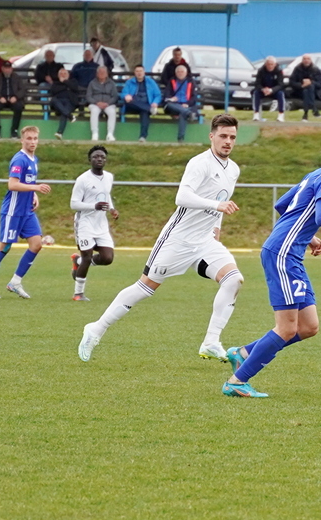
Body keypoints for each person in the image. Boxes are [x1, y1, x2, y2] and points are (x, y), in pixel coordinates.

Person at [221, 129, 321, 398]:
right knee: (286, 328)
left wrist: (306, 236)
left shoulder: (316, 174)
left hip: (289, 252)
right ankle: (236, 382)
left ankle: (245, 353)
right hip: (282, 254)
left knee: (308, 327)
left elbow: (283, 204)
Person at [78, 114, 245, 363]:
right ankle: (96, 328)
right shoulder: (199, 163)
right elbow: (183, 197)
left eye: (232, 137)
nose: (227, 141)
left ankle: (211, 341)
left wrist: (216, 225)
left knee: (234, 280)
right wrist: (217, 206)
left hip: (204, 241)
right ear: (211, 136)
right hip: (177, 239)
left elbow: (220, 197)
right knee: (145, 287)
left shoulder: (233, 169)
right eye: (223, 136)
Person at [0, 126, 52, 300]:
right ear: (22, 140)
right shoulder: (19, 160)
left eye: (35, 138)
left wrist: (33, 194)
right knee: (5, 246)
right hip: (13, 210)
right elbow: (12, 184)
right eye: (29, 139)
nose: (33, 142)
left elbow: (27, 182)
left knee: (36, 244)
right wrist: (36, 187)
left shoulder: (33, 159)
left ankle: (15, 282)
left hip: (27, 211)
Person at [70, 145, 117, 301]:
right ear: (90, 159)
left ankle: (77, 261)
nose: (99, 159)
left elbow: (106, 195)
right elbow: (74, 204)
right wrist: (93, 206)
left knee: (107, 258)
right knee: (87, 256)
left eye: (102, 157)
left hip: (101, 224)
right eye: (96, 156)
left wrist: (111, 209)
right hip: (85, 223)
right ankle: (78, 294)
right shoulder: (83, 179)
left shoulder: (109, 177)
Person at [121, 64, 161, 142]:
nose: (139, 73)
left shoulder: (151, 82)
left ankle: (143, 137)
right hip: (132, 105)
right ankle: (150, 109)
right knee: (131, 102)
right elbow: (123, 93)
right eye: (137, 71)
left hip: (146, 104)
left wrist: (155, 102)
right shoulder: (129, 82)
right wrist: (126, 96)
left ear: (144, 72)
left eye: (141, 71)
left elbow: (158, 95)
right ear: (134, 73)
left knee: (144, 112)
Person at [0, 61, 28, 139]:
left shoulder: (17, 78)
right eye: (5, 68)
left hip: (13, 99)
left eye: (9, 68)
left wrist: (16, 97)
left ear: (11, 69)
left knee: (19, 107)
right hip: (1, 99)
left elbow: (23, 90)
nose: (7, 70)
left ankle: (14, 130)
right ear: (2, 69)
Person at [163, 64, 200, 141]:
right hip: (173, 105)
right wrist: (172, 98)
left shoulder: (190, 82)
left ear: (186, 73)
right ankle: (189, 113)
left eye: (182, 72)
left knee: (183, 113)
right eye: (178, 72)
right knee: (172, 105)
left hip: (186, 105)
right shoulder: (172, 81)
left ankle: (180, 138)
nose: (180, 73)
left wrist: (187, 104)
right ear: (176, 73)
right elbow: (166, 95)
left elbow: (194, 97)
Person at [48, 67, 83, 140]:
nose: (63, 75)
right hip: (58, 103)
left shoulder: (73, 81)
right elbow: (54, 91)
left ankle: (60, 132)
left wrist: (65, 82)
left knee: (64, 111)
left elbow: (74, 88)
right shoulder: (56, 83)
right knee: (54, 100)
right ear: (58, 76)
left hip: (70, 102)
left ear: (68, 75)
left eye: (65, 74)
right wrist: (66, 87)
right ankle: (70, 116)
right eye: (61, 74)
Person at [86, 66, 118, 142]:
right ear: (97, 74)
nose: (101, 74)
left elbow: (115, 96)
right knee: (94, 111)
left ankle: (110, 134)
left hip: (108, 104)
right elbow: (88, 96)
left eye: (103, 72)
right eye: (100, 72)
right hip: (95, 104)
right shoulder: (92, 83)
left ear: (107, 74)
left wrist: (108, 103)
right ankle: (95, 133)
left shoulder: (112, 83)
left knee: (112, 112)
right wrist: (96, 103)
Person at [252, 56, 287, 122]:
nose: (270, 66)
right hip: (263, 90)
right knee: (256, 93)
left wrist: (271, 90)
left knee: (281, 94)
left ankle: (281, 115)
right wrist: (263, 89)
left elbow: (280, 84)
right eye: (268, 64)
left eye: (272, 64)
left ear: (275, 64)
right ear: (265, 64)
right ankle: (256, 114)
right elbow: (257, 83)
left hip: (274, 91)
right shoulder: (261, 71)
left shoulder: (279, 71)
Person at [289, 54, 321, 120]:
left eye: (308, 59)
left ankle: (305, 114)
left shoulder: (315, 69)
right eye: (304, 59)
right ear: (302, 60)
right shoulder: (297, 69)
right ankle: (314, 109)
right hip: (299, 91)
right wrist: (302, 85)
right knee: (306, 90)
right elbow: (292, 82)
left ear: (311, 60)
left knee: (308, 89)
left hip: (314, 92)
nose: (306, 61)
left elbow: (320, 84)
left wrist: (311, 82)